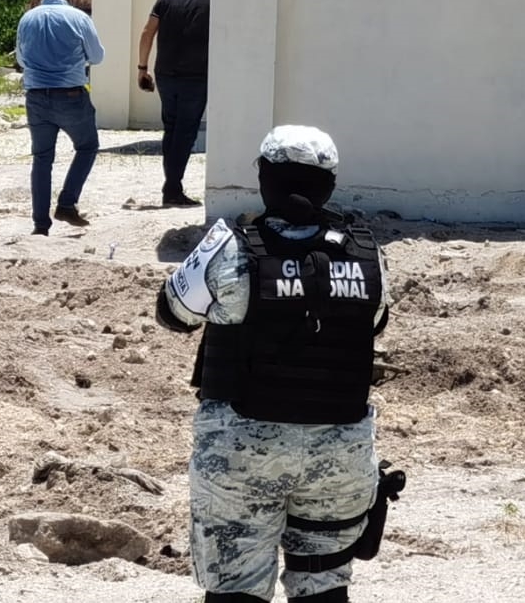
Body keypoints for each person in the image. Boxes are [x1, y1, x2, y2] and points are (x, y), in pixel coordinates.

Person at [156, 125, 395, 603]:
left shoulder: (230, 245)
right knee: (324, 589)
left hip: (242, 453)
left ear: (265, 177)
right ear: (328, 184)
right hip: (340, 455)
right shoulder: (367, 252)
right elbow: (376, 323)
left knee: (235, 592)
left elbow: (172, 314)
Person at [16, 0, 106, 236]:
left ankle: (40, 225)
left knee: (42, 159)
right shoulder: (79, 18)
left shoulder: (27, 18)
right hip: (70, 95)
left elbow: (21, 58)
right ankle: (67, 203)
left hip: (36, 96)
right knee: (88, 146)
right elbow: (97, 57)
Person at [138, 0, 211, 207]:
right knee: (185, 132)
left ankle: (171, 185)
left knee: (171, 128)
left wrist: (142, 68)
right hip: (196, 76)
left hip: (165, 73)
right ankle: (172, 188)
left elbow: (148, 32)